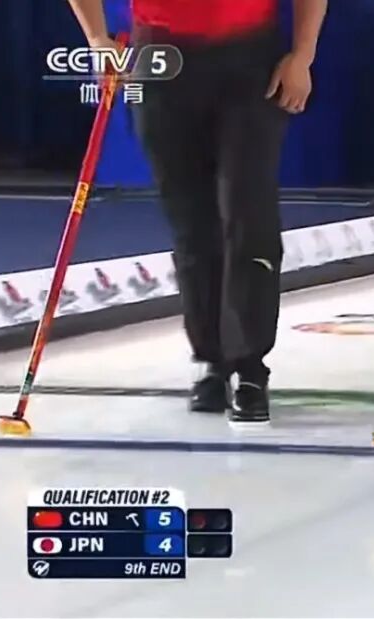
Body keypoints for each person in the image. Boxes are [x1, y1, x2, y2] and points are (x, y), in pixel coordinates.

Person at [66, 0, 327, 424]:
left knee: (247, 210)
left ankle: (249, 366)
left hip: (248, 59)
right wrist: (96, 38)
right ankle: (210, 360)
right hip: (160, 58)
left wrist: (302, 55)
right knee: (191, 221)